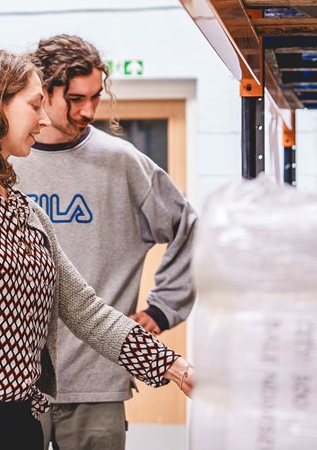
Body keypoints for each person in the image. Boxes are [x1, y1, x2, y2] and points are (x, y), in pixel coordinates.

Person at [0, 49, 194, 450]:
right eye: (34, 105)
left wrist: (174, 366)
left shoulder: (24, 211)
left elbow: (87, 312)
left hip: (16, 423)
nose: (43, 120)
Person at [11, 34, 198, 450]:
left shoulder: (121, 162)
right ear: (43, 91)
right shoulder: (7, 162)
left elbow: (190, 228)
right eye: (75, 99)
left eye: (96, 97)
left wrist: (162, 309)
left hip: (99, 380)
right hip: (15, 383)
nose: (88, 111)